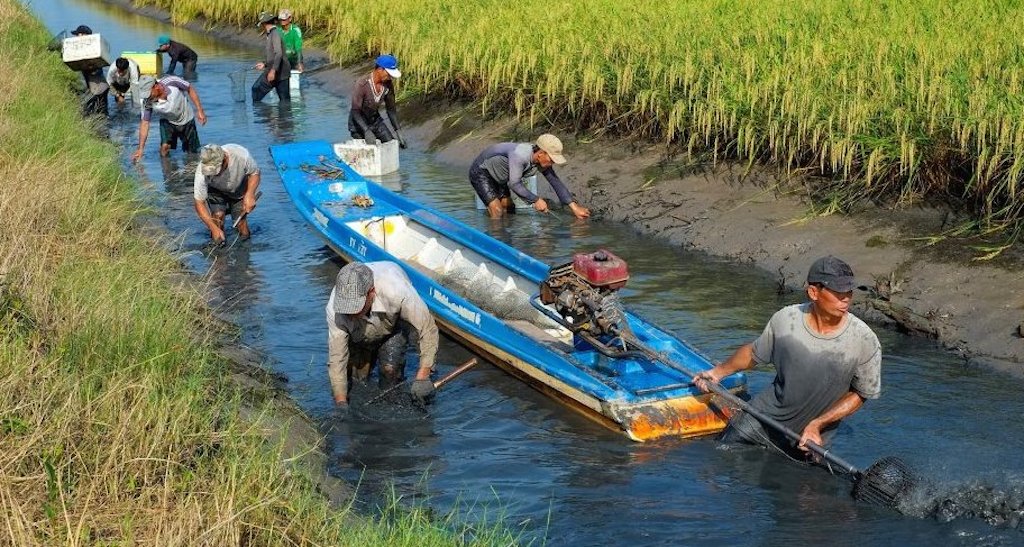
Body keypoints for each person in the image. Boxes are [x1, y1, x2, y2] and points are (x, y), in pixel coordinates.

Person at [694, 255, 882, 458]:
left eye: (849, 291)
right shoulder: (786, 320)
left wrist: (818, 424)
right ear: (813, 292)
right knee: (720, 458)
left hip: (812, 438)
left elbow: (861, 394)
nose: (845, 297)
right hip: (763, 417)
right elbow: (754, 353)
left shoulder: (864, 340)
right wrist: (717, 373)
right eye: (838, 291)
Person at [326, 261, 439, 410]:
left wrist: (423, 376)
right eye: (347, 309)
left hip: (393, 324)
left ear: (371, 292)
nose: (351, 313)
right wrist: (340, 402)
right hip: (359, 333)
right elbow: (337, 358)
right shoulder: (335, 308)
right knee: (356, 380)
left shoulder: (397, 290)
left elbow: (427, 329)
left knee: (390, 371)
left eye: (356, 307)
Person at [468, 134, 591, 219]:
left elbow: (555, 181)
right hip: (482, 172)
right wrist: (536, 200)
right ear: (541, 153)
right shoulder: (520, 156)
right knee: (498, 211)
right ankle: (496, 245)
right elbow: (514, 184)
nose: (552, 163)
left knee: (508, 207)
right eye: (552, 159)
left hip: (501, 176)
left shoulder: (541, 160)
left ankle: (507, 238)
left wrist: (575, 208)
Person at [130, 75, 207, 162]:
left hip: (186, 118)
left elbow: (190, 89)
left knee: (192, 152)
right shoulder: (147, 102)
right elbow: (145, 123)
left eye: (149, 93)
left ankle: (191, 169)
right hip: (167, 121)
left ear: (156, 87)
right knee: (164, 148)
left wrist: (200, 111)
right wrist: (140, 149)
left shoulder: (172, 81)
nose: (147, 97)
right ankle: (168, 171)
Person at [193, 144, 261, 243]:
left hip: (239, 187)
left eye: (216, 170)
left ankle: (245, 249)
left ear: (224, 158)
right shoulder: (201, 171)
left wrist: (250, 195)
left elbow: (255, 173)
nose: (214, 174)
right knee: (218, 218)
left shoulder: (241, 156)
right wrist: (213, 228)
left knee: (240, 222)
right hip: (215, 189)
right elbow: (199, 202)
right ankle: (219, 253)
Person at [347, 54, 406, 148]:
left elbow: (391, 110)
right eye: (389, 74)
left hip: (375, 121)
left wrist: (398, 131)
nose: (390, 77)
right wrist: (366, 131)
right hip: (358, 124)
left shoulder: (388, 85)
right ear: (380, 69)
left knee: (390, 146)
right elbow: (355, 111)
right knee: (370, 151)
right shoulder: (362, 84)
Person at [70, 25, 109, 116]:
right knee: (99, 111)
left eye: (78, 35)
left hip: (98, 88)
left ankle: (100, 126)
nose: (76, 37)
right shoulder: (89, 48)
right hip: (98, 87)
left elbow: (94, 69)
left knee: (99, 111)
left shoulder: (92, 49)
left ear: (83, 35)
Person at [252, 11, 291, 103]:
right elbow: (273, 54)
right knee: (284, 100)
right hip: (276, 70)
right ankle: (272, 116)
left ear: (264, 24)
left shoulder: (275, 34)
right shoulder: (271, 34)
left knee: (256, 90)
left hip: (279, 72)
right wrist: (264, 64)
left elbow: (279, 53)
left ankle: (266, 116)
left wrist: (273, 71)